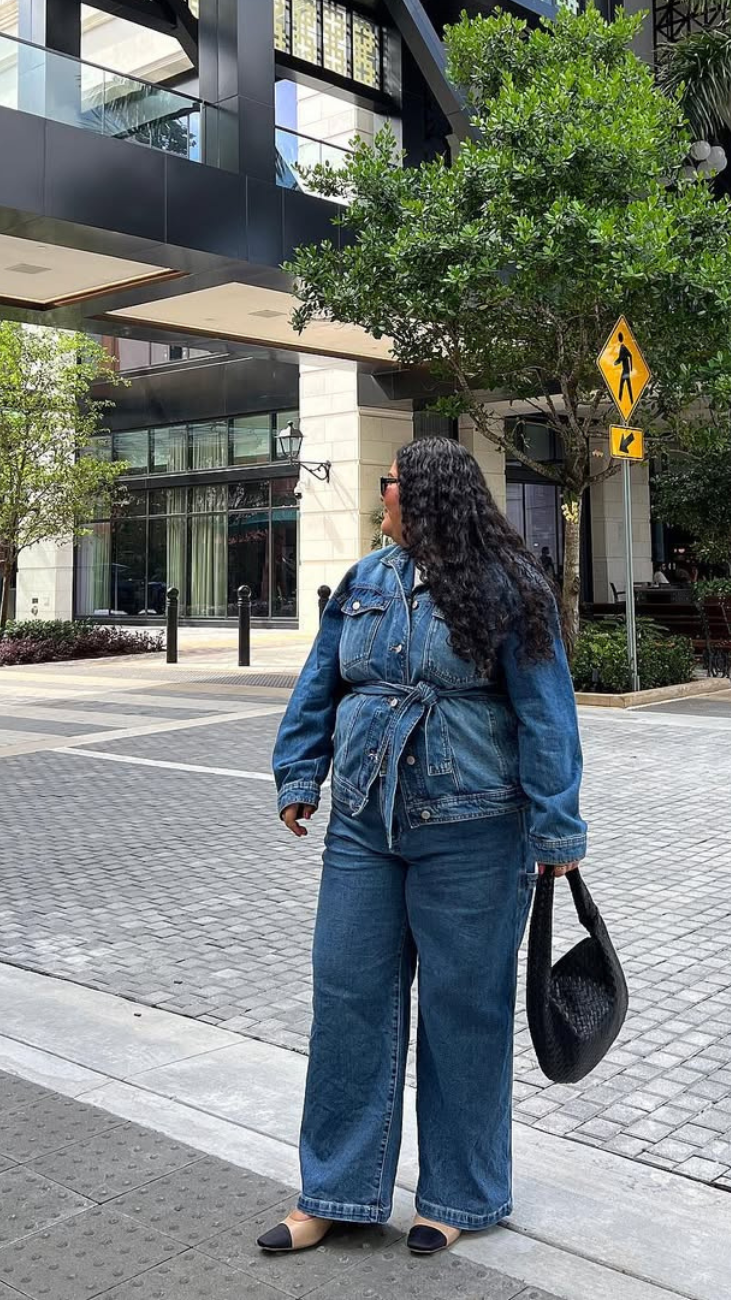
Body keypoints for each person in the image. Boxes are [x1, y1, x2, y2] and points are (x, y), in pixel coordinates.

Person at [260, 436, 586, 1259]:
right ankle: (334, 1189)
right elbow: (319, 682)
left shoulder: (513, 586)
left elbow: (548, 713)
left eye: (390, 485)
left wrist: (558, 830)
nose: (382, 498)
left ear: (429, 493)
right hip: (366, 824)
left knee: (463, 1016)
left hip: (476, 829)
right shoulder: (367, 580)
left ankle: (460, 1195)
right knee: (347, 1004)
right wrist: (299, 772)